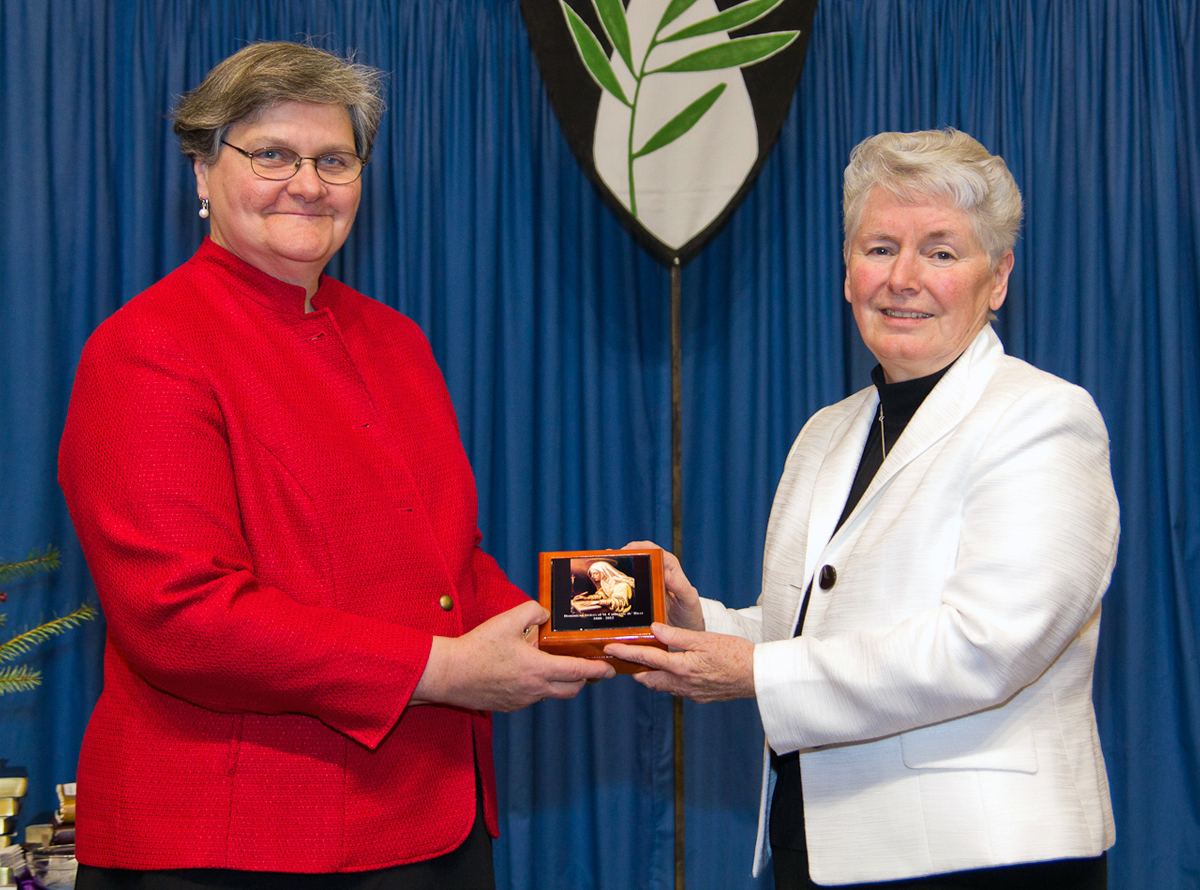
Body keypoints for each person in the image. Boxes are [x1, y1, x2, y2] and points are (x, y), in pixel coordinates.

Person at [58, 41, 612, 890]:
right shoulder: (146, 349)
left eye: (334, 158)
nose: (308, 183)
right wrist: (447, 671)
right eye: (272, 154)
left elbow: (447, 564)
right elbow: (181, 617)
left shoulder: (397, 342)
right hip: (238, 847)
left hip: (433, 820)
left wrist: (597, 617)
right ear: (204, 173)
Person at [607, 129, 1118, 888]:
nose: (902, 278)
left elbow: (984, 648)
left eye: (941, 253)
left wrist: (754, 672)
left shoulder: (1044, 418)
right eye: (879, 247)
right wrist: (701, 624)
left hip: (986, 859)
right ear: (847, 270)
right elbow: (815, 632)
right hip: (819, 849)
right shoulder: (829, 431)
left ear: (999, 277)